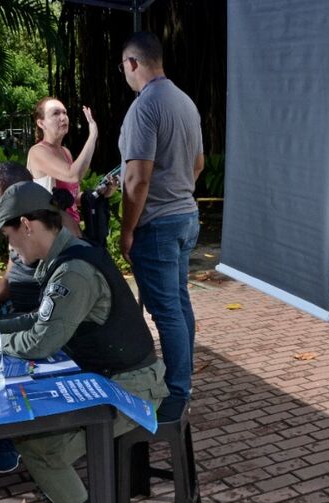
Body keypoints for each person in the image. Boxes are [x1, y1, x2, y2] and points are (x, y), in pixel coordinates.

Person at [0, 182, 167, 503]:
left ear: (26, 225)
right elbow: (45, 319)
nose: (11, 250)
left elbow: (42, 341)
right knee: (31, 423)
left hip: (132, 386)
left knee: (42, 448)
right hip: (108, 377)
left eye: (9, 238)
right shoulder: (67, 258)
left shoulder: (73, 270)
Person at [118, 31, 205, 410]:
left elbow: (137, 178)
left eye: (123, 66)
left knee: (165, 309)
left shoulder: (144, 106)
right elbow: (198, 163)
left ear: (133, 63)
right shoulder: (185, 101)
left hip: (158, 223)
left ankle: (177, 391)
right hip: (186, 215)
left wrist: (126, 230)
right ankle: (184, 379)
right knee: (179, 302)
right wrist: (179, 188)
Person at [27, 97, 101, 225]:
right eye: (56, 113)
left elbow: (73, 198)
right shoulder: (37, 152)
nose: (63, 117)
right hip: (53, 234)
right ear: (41, 123)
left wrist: (100, 191)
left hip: (72, 229)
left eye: (64, 112)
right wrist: (93, 136)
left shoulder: (66, 152)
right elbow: (72, 175)